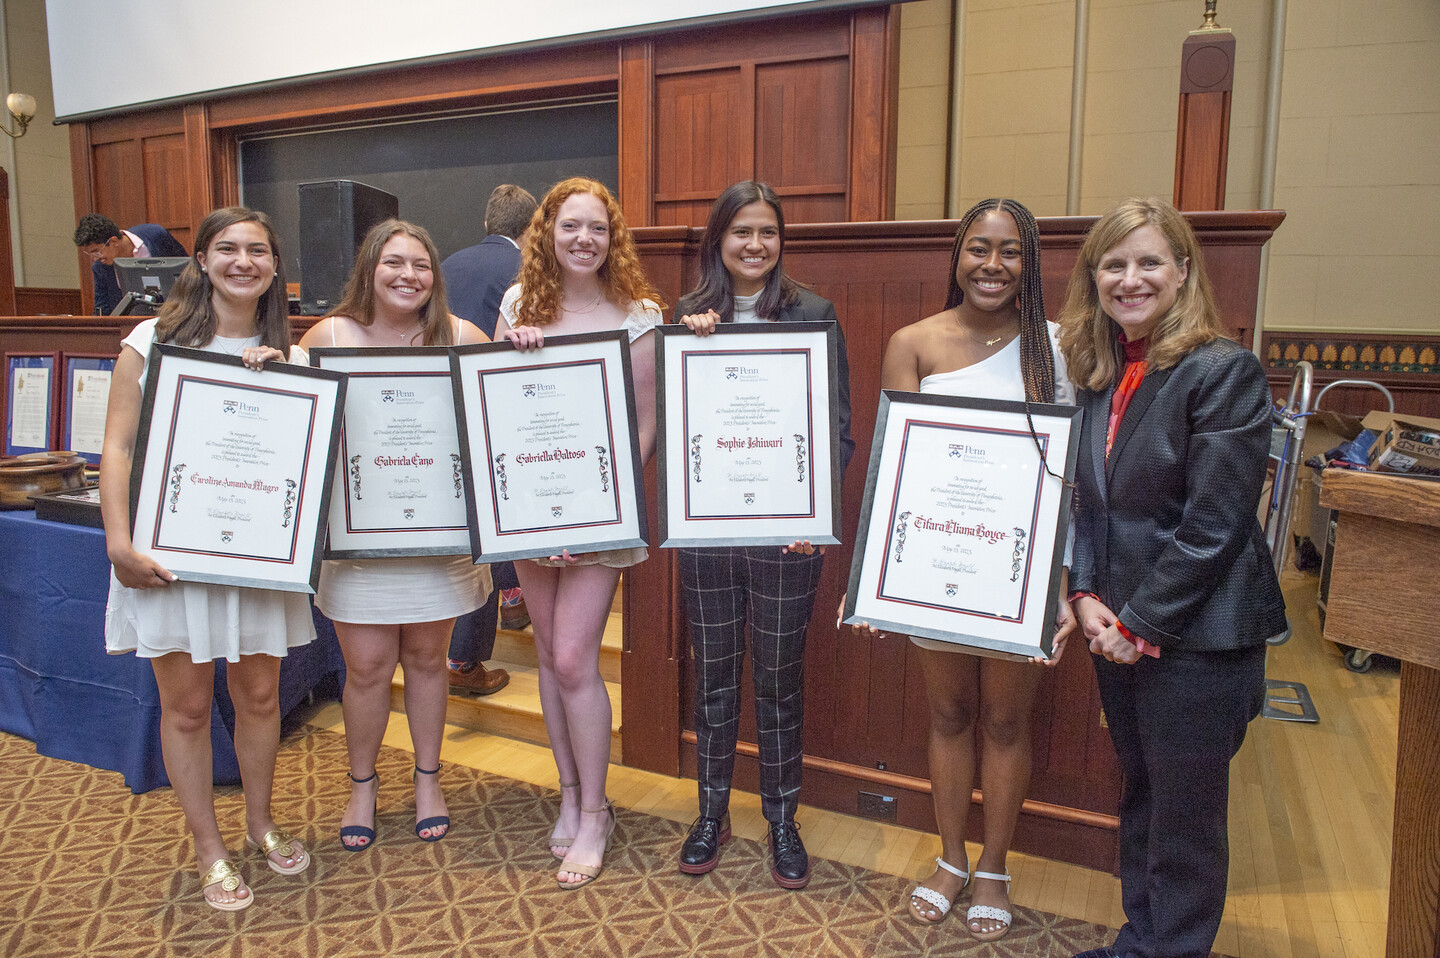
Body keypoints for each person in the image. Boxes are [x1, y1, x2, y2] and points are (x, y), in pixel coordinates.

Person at [1057, 198, 1287, 958]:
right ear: (1094, 279)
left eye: (1149, 261)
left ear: (1183, 272)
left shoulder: (1223, 371)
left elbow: (1214, 526)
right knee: (1142, 798)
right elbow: (1089, 503)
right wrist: (1084, 594)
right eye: (1113, 264)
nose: (1131, 279)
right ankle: (1141, 942)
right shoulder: (1100, 373)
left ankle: (1170, 948)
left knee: (1185, 823)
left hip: (1196, 640)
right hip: (1116, 628)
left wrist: (1138, 625)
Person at [862, 198, 1077, 941]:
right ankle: (950, 859)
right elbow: (895, 470)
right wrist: (880, 581)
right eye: (979, 248)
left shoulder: (1054, 349)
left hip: (1016, 577)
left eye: (1011, 251)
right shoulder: (912, 343)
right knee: (949, 713)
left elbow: (1065, 479)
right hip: (938, 565)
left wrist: (1057, 582)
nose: (993, 265)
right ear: (956, 255)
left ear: (1031, 263)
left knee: (1006, 718)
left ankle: (994, 865)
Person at [99, 206, 313, 911]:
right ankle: (208, 848)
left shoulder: (296, 356)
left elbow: (310, 462)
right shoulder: (151, 341)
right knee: (187, 709)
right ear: (200, 260)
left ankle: (258, 822)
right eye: (227, 248)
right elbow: (119, 449)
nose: (243, 261)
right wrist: (117, 543)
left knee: (259, 698)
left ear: (276, 266)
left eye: (258, 249)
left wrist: (285, 385)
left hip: (257, 558)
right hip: (171, 557)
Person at [673, 180, 855, 891]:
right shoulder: (689, 314)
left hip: (788, 536)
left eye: (767, 233)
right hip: (708, 535)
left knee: (778, 682)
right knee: (715, 680)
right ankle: (710, 815)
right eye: (741, 231)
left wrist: (813, 514)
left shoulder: (814, 312)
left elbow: (836, 428)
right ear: (718, 239)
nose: (755, 245)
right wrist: (687, 344)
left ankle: (782, 818)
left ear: (781, 242)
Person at [298, 220, 493, 853]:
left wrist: (525, 346)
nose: (408, 275)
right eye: (393, 263)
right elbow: (296, 418)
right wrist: (266, 363)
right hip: (359, 544)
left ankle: (429, 780)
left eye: (421, 265)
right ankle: (362, 784)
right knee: (367, 667)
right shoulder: (328, 336)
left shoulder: (463, 336)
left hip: (438, 537)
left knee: (428, 661)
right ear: (369, 269)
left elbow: (501, 413)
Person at [493, 176, 663, 890]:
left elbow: (646, 427)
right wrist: (514, 349)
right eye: (570, 227)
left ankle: (597, 811)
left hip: (601, 512)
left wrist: (599, 511)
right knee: (548, 660)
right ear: (547, 234)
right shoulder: (517, 304)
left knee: (571, 659)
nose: (583, 239)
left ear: (612, 237)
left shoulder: (638, 313)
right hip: (532, 508)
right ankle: (567, 793)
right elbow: (498, 410)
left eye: (597, 228)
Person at [440, 185, 540, 696]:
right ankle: (465, 660)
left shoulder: (448, 261)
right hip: (496, 406)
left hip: (438, 408)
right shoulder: (527, 271)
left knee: (473, 524)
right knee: (494, 522)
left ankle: (512, 598)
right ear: (531, 227)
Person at [74, 213, 188, 315]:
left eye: (97, 252)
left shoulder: (156, 235)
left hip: (175, 317)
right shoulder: (100, 268)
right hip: (131, 329)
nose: (94, 259)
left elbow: (188, 268)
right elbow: (102, 310)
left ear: (113, 241)